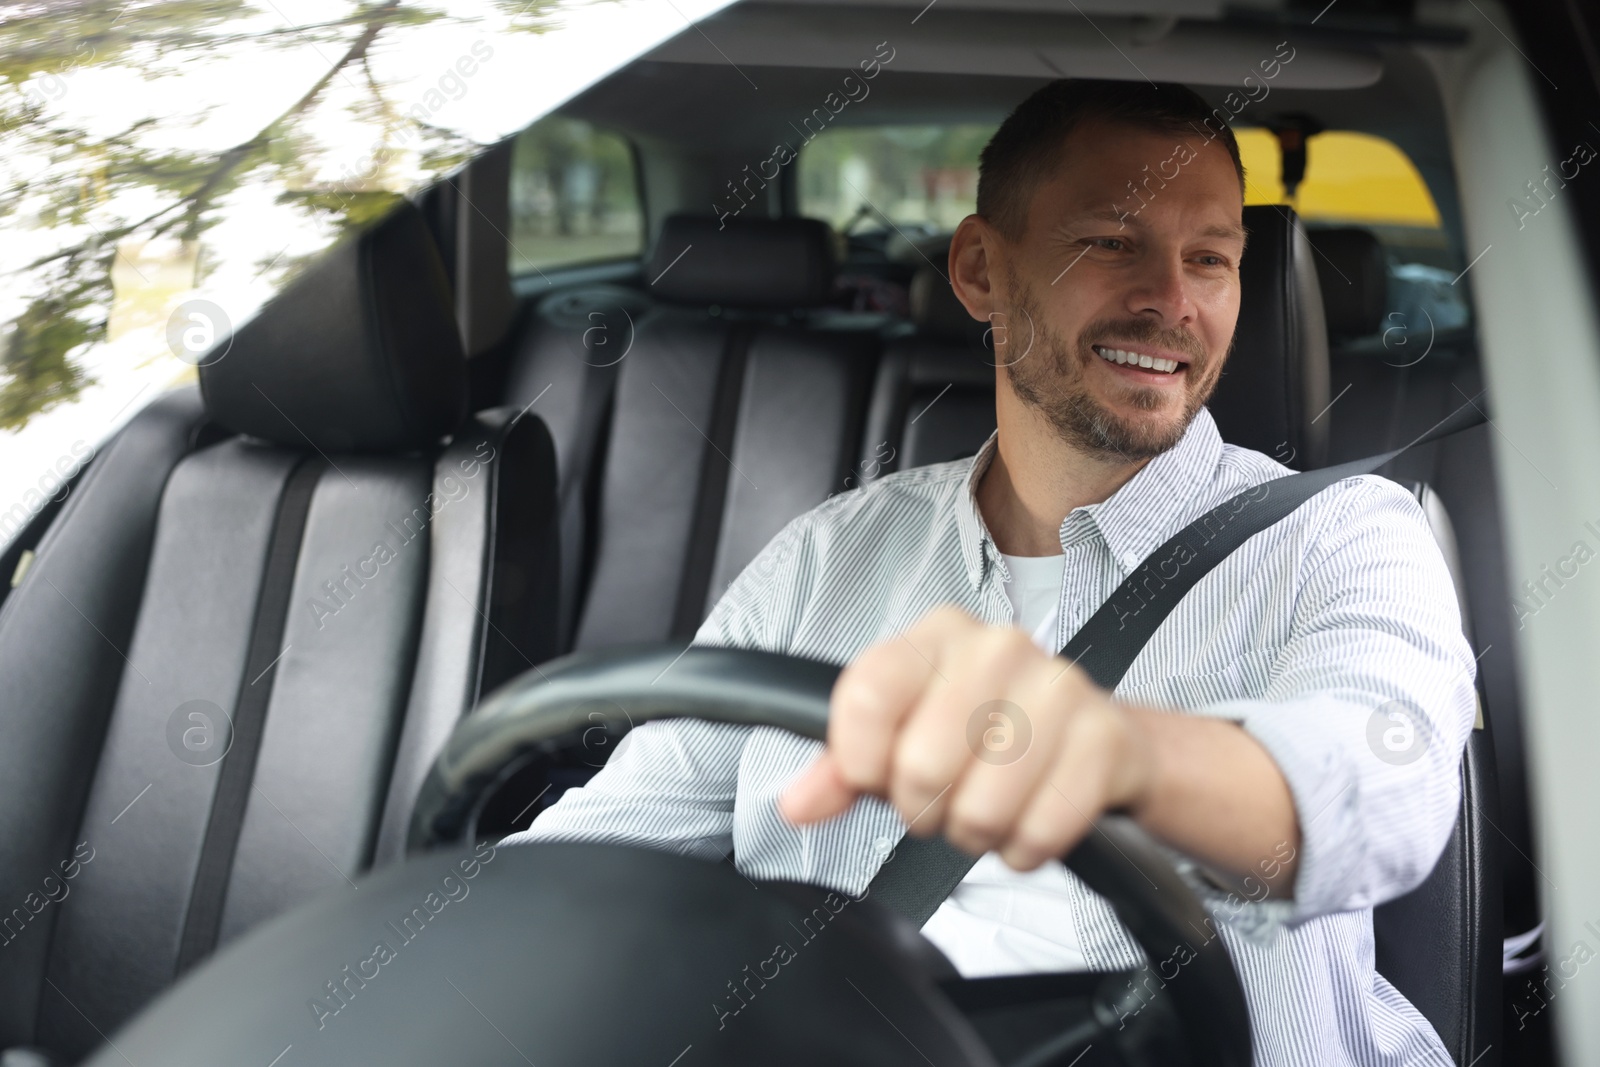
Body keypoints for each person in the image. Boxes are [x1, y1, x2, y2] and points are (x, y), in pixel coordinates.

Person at [504, 78, 1475, 1067]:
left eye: (1210, 261)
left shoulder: (1345, 534)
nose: (1171, 301)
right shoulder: (826, 554)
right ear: (979, 268)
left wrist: (1117, 751)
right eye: (1110, 241)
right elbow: (596, 856)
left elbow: (1382, 788)